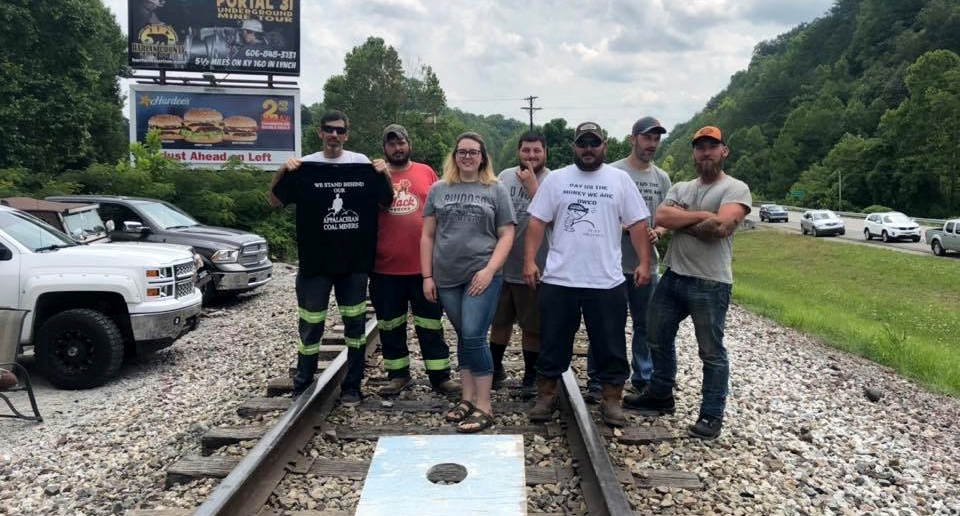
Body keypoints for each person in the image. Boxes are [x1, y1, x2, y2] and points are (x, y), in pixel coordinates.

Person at [623, 126, 752, 440]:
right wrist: (701, 216)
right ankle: (660, 395)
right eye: (700, 147)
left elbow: (721, 227)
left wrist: (685, 219)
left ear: (724, 151)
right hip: (674, 275)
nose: (705, 152)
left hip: (711, 282)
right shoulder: (681, 186)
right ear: (694, 153)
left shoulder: (737, 189)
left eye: (712, 146)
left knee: (710, 351)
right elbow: (662, 217)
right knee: (656, 335)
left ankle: (711, 415)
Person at [524, 122, 651, 428]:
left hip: (606, 281)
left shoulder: (619, 180)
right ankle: (546, 395)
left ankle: (611, 400)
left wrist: (645, 262)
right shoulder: (557, 180)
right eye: (583, 143)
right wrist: (529, 260)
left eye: (594, 143)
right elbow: (538, 222)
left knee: (610, 345)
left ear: (604, 145)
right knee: (552, 342)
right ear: (574, 147)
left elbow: (637, 225)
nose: (589, 149)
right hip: (559, 279)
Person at [268, 110, 393, 407]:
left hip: (353, 264)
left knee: (355, 330)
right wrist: (282, 171)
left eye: (339, 130)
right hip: (315, 265)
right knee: (311, 326)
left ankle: (353, 387)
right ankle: (303, 383)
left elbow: (386, 203)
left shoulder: (362, 164)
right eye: (329, 130)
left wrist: (384, 173)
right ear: (320, 133)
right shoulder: (305, 166)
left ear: (346, 134)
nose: (334, 135)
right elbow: (273, 201)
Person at [421, 132, 516, 433]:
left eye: (473, 152)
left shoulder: (495, 189)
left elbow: (507, 234)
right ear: (455, 156)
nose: (467, 157)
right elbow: (427, 235)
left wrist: (489, 270)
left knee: (475, 335)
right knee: (463, 335)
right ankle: (466, 397)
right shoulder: (439, 189)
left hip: (482, 275)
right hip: (447, 277)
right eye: (462, 152)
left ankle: (484, 405)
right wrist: (427, 276)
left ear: (482, 157)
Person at [584, 116, 672, 404]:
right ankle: (597, 380)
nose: (652, 144)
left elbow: (664, 217)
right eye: (647, 138)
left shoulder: (662, 178)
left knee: (645, 325)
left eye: (656, 139)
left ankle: (642, 378)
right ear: (633, 138)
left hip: (647, 265)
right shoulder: (612, 172)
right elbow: (596, 213)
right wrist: (624, 225)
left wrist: (658, 231)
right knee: (606, 324)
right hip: (611, 264)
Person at [369, 124, 460, 397]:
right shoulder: (375, 175)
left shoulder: (426, 172)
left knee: (431, 324)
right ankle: (398, 375)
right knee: (390, 325)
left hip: (424, 268)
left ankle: (440, 376)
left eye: (402, 143)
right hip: (385, 266)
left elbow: (441, 213)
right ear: (384, 148)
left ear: (409, 144)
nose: (398, 148)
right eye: (392, 144)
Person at [489, 132, 550, 398]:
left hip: (536, 266)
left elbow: (555, 219)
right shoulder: (503, 177)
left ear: (545, 152)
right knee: (499, 322)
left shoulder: (554, 180)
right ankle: (494, 368)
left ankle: (530, 374)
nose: (531, 155)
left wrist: (533, 187)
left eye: (537, 150)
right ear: (519, 152)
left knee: (532, 326)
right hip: (503, 265)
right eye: (526, 150)